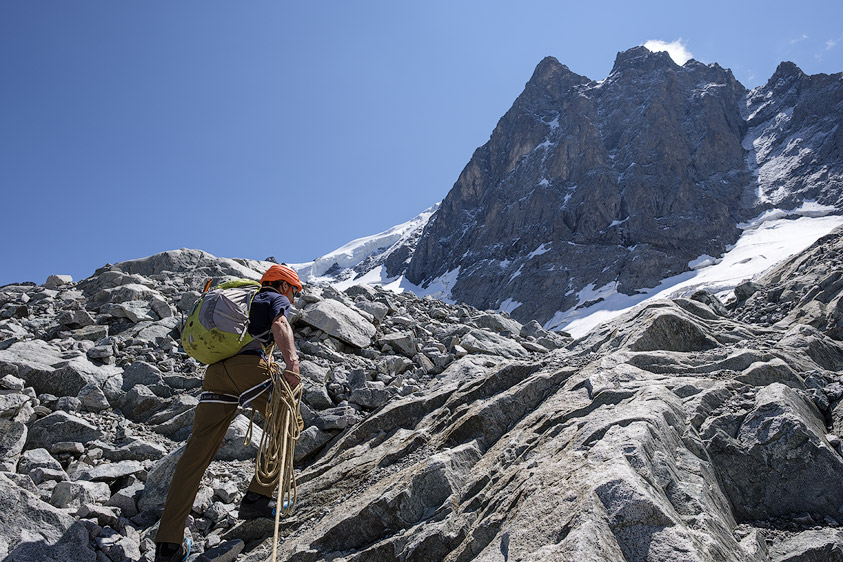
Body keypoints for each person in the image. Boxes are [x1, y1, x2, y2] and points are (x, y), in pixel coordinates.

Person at [154, 264, 303, 562]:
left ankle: (168, 545)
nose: (295, 298)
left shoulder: (244, 299)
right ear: (284, 285)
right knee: (288, 422)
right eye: (295, 291)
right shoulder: (272, 296)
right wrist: (292, 364)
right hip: (248, 367)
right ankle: (256, 498)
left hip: (216, 373)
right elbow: (280, 324)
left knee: (197, 453)